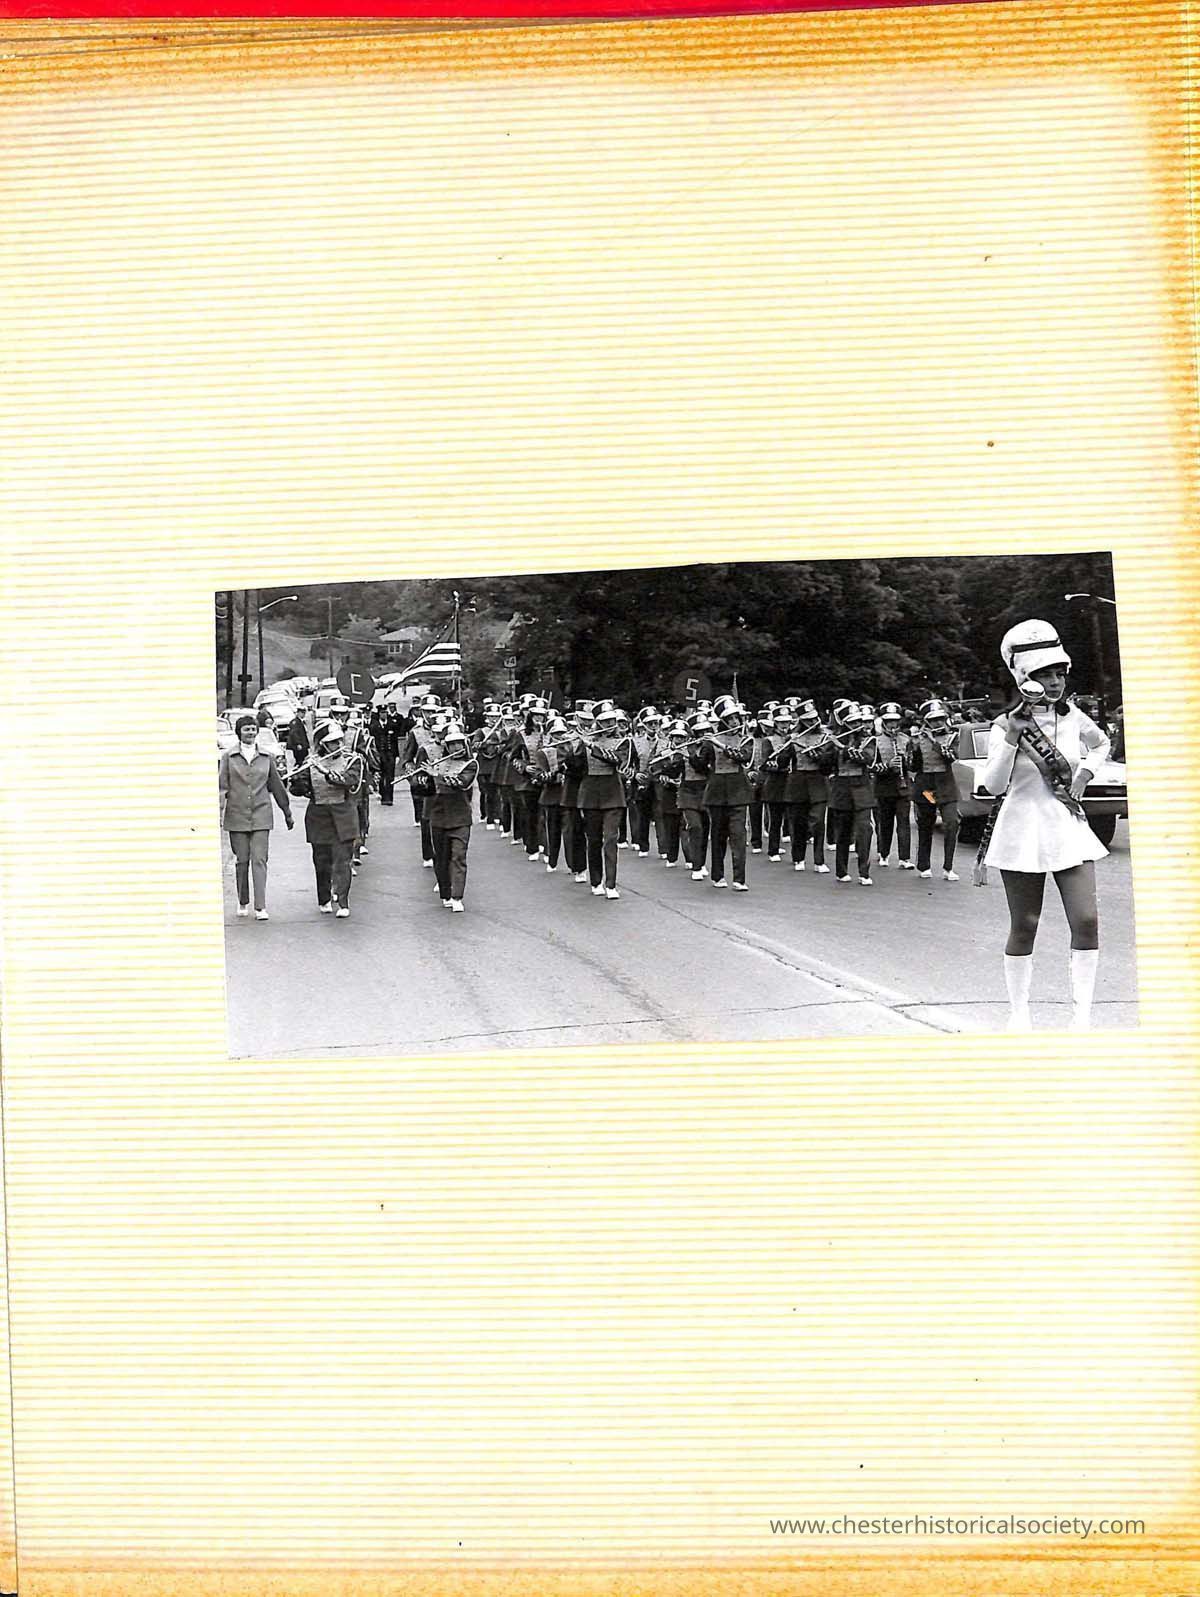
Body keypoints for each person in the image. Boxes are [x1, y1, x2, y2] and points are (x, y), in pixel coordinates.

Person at [979, 620, 1111, 1031]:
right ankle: (1019, 1014)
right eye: (1045, 674)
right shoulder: (1003, 725)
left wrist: (1084, 775)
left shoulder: (1074, 718)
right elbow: (992, 785)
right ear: (1025, 678)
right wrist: (1012, 738)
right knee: (1025, 925)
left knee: (1086, 920)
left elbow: (1102, 743)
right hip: (1022, 828)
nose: (1055, 682)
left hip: (1067, 826)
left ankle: (1082, 1017)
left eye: (1059, 673)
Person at [218, 713, 294, 920]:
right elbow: (222, 787)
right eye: (246, 729)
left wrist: (287, 812)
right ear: (239, 732)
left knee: (259, 859)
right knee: (242, 860)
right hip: (236, 815)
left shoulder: (267, 757)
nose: (250, 733)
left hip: (261, 814)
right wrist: (219, 812)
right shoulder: (228, 757)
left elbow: (277, 787)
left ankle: (260, 906)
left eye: (253, 729)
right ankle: (243, 901)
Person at [692, 695, 753, 890]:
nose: (735, 722)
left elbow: (742, 757)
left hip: (739, 792)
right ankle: (718, 876)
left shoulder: (746, 739)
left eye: (736, 718)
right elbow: (701, 767)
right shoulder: (710, 741)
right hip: (717, 793)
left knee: (738, 836)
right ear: (723, 721)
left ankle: (739, 879)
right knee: (718, 836)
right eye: (730, 718)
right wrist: (692, 751)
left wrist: (718, 744)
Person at [577, 700, 632, 898]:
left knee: (610, 839)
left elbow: (615, 759)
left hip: (613, 795)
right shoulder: (586, 741)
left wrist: (591, 746)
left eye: (612, 721)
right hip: (590, 795)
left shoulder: (624, 741)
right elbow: (574, 768)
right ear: (598, 723)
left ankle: (611, 885)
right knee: (593, 840)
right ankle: (596, 881)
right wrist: (574, 747)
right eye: (605, 721)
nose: (610, 725)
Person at [426, 722, 479, 912]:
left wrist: (437, 775)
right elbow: (426, 791)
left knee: (458, 856)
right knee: (441, 858)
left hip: (460, 816)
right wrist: (420, 779)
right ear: (446, 746)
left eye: (459, 743)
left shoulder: (470, 764)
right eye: (452, 744)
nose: (456, 747)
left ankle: (457, 896)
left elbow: (461, 783)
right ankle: (446, 893)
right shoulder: (437, 763)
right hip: (438, 815)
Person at [912, 698, 961, 881]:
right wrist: (914, 749)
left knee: (951, 823)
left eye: (940, 719)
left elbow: (951, 757)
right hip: (927, 787)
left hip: (945, 785)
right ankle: (924, 865)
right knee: (926, 825)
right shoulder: (917, 739)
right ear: (927, 722)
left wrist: (933, 741)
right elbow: (913, 766)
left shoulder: (952, 736)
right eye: (933, 720)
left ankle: (948, 867)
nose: (938, 723)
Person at [828, 704, 877, 885]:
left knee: (865, 830)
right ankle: (841, 871)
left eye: (859, 721)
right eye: (853, 722)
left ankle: (864, 872)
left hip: (862, 789)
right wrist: (826, 751)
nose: (858, 725)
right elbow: (825, 767)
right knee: (843, 832)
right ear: (844, 724)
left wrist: (842, 747)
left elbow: (866, 758)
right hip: (842, 790)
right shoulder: (834, 740)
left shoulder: (869, 740)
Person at [873, 701, 915, 869]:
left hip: (903, 787)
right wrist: (888, 766)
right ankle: (884, 854)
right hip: (884, 787)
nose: (893, 725)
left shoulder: (905, 739)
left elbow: (912, 764)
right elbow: (872, 766)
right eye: (889, 721)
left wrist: (905, 761)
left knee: (904, 822)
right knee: (885, 822)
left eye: (895, 721)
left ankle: (904, 858)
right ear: (883, 722)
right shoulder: (876, 741)